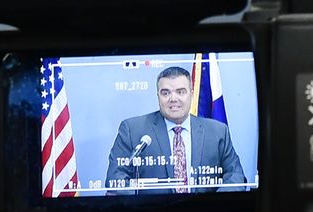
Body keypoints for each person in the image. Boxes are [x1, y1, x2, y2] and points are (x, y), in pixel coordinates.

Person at [106, 65, 247, 191]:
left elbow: (236, 176)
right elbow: (115, 178)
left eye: (180, 92)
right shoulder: (132, 130)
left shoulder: (217, 131)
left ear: (191, 94)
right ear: (158, 96)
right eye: (166, 93)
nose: (173, 99)